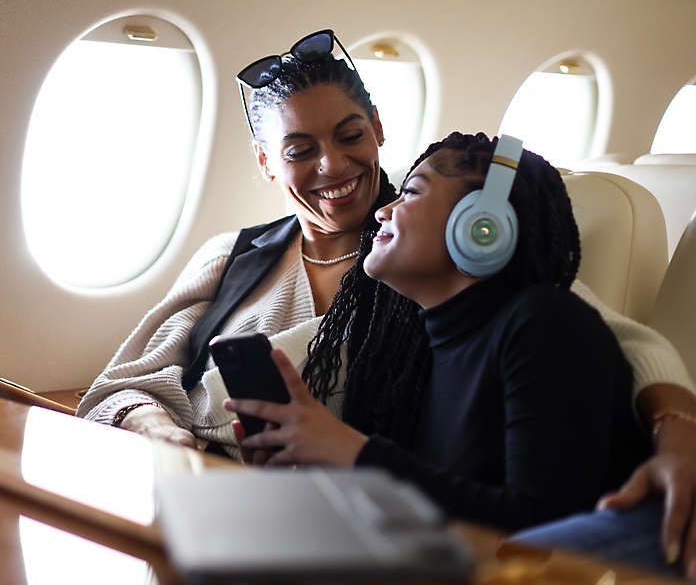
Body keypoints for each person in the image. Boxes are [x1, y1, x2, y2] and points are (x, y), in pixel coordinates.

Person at [77, 30, 696, 572]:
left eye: (350, 135)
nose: (332, 164)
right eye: (299, 150)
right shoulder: (233, 256)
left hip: (320, 523)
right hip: (191, 497)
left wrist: (678, 429)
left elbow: (615, 338)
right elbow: (121, 384)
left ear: (377, 127)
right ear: (268, 162)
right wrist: (157, 428)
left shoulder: (443, 262)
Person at [228, 132, 647, 527]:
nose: (382, 211)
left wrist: (353, 452)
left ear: (482, 225)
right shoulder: (420, 349)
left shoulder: (546, 325)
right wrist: (317, 473)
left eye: (411, 192)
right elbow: (444, 499)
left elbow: (542, 524)